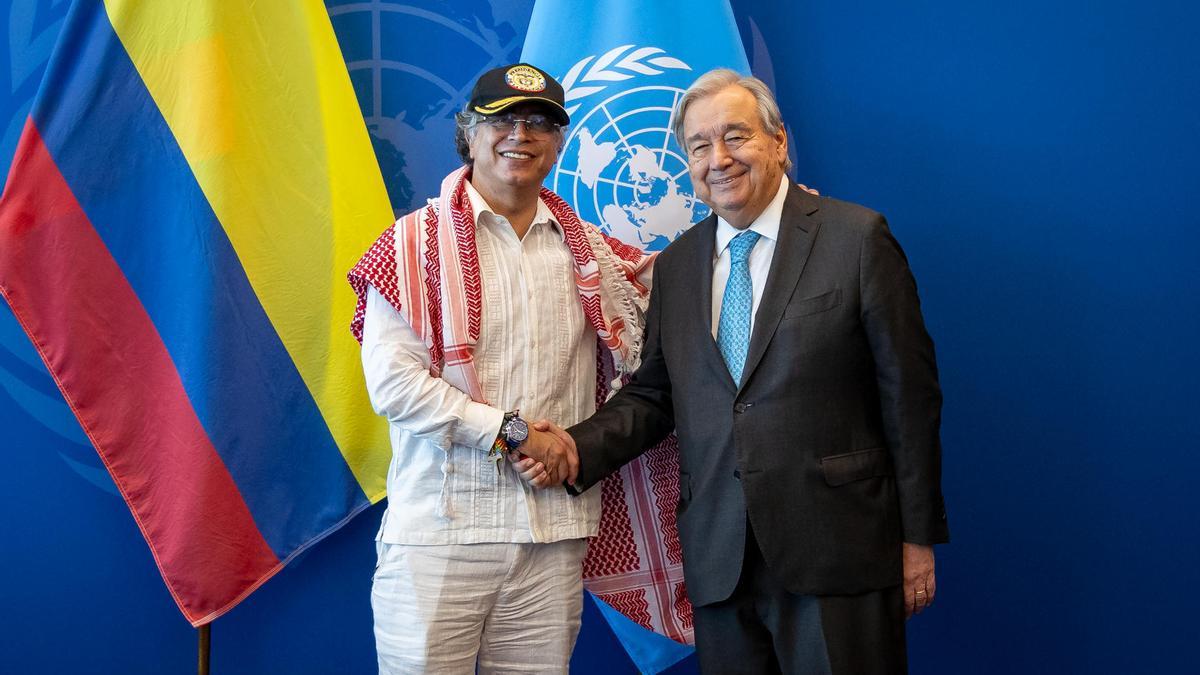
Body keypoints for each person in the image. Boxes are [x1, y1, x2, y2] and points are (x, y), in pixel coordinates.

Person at [534, 68, 950, 673]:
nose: (719, 159)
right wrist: (574, 449)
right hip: (720, 558)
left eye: (736, 136)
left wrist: (916, 538)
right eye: (699, 146)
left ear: (778, 142)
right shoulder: (676, 266)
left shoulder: (856, 238)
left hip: (841, 551)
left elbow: (909, 398)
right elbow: (654, 396)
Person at [347, 62, 652, 674]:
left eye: (539, 122)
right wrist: (512, 433)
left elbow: (690, 286)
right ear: (468, 132)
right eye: (502, 120)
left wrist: (763, 223)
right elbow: (394, 386)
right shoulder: (409, 246)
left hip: (552, 535)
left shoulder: (592, 253)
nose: (521, 134)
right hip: (441, 534)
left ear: (558, 143)